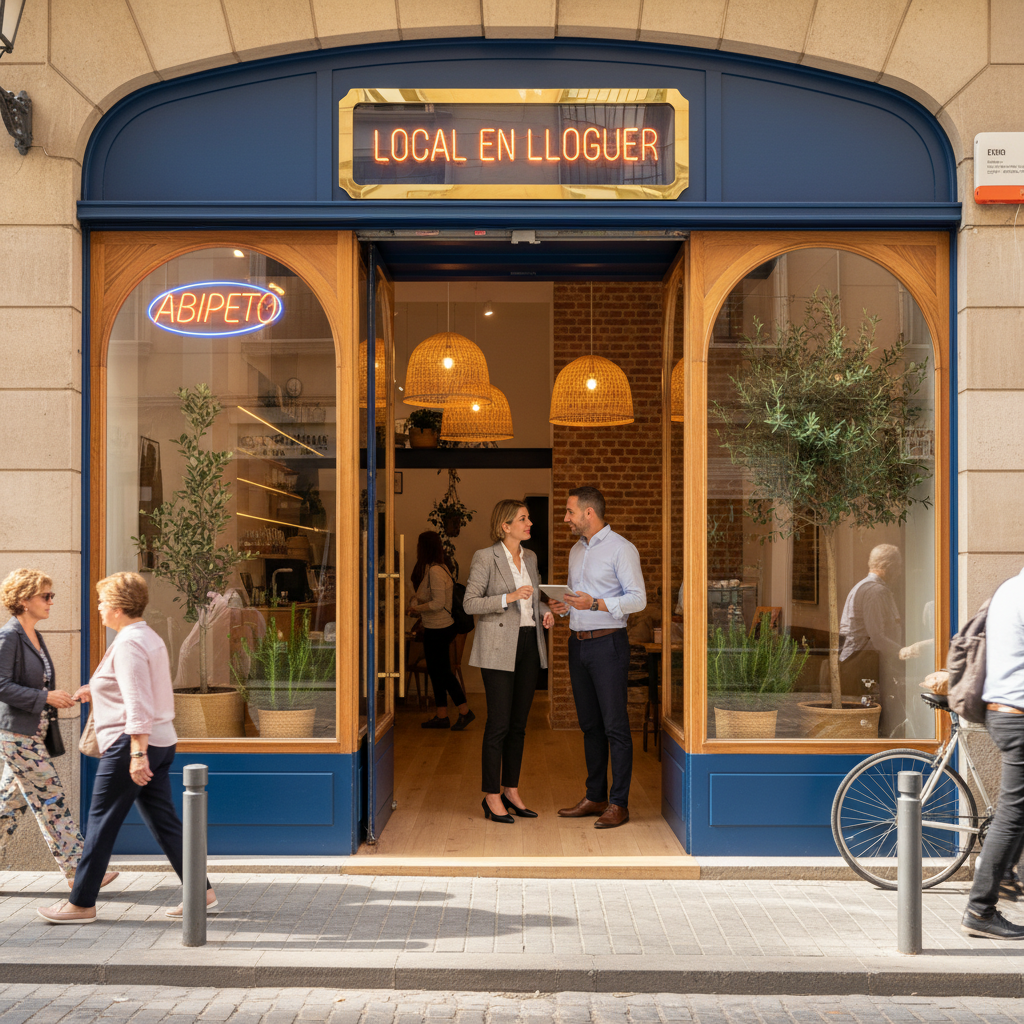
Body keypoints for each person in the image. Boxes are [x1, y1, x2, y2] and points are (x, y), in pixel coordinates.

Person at [37, 572, 215, 924]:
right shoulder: (148, 637)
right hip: (162, 740)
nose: (100, 609)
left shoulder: (129, 643)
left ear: (118, 608)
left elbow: (137, 701)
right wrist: (96, 690)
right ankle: (201, 891)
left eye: (103, 603)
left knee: (101, 821)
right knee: (164, 821)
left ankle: (81, 903)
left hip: (131, 744)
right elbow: (137, 687)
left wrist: (136, 753)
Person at [0, 570, 118, 891]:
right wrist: (45, 697)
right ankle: (80, 870)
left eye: (52, 595)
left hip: (33, 732)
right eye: (45, 596)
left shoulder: (35, 636)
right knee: (52, 799)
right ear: (24, 600)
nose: (51, 601)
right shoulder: (9, 636)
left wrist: (61, 696)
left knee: (8, 806)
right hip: (17, 736)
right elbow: (1, 686)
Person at [548, 487, 646, 829]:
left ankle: (619, 804)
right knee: (589, 725)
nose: (566, 518)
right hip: (578, 645)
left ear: (589, 513)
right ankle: (596, 796)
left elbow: (638, 600)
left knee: (615, 727)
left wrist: (595, 604)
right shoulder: (577, 551)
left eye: (569, 512)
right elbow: (578, 599)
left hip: (609, 646)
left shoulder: (622, 549)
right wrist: (562, 608)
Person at [463, 500, 554, 823]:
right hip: (498, 647)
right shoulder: (485, 558)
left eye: (528, 518)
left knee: (519, 725)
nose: (530, 523)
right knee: (499, 724)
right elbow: (469, 603)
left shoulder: (530, 557)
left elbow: (535, 600)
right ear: (505, 525)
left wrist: (544, 614)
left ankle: (511, 790)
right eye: (523, 519)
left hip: (530, 644)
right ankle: (491, 795)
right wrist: (508, 598)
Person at [961, 566, 1024, 939]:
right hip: (1018, 715)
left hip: (1004, 712)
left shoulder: (1009, 587)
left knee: (1015, 809)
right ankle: (980, 909)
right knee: (1012, 814)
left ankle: (1003, 874)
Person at [408, 531, 474, 731]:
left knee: (443, 672)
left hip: (439, 627)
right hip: (435, 627)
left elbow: (437, 604)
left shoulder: (436, 571)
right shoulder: (437, 568)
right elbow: (426, 597)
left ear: (423, 548)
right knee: (437, 672)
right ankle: (442, 715)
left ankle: (464, 711)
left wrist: (414, 609)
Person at [839, 543, 905, 736]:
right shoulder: (875, 591)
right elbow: (877, 636)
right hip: (864, 664)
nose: (900, 572)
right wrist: (903, 653)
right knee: (871, 720)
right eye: (899, 566)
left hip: (860, 661)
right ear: (888, 566)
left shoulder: (864, 587)